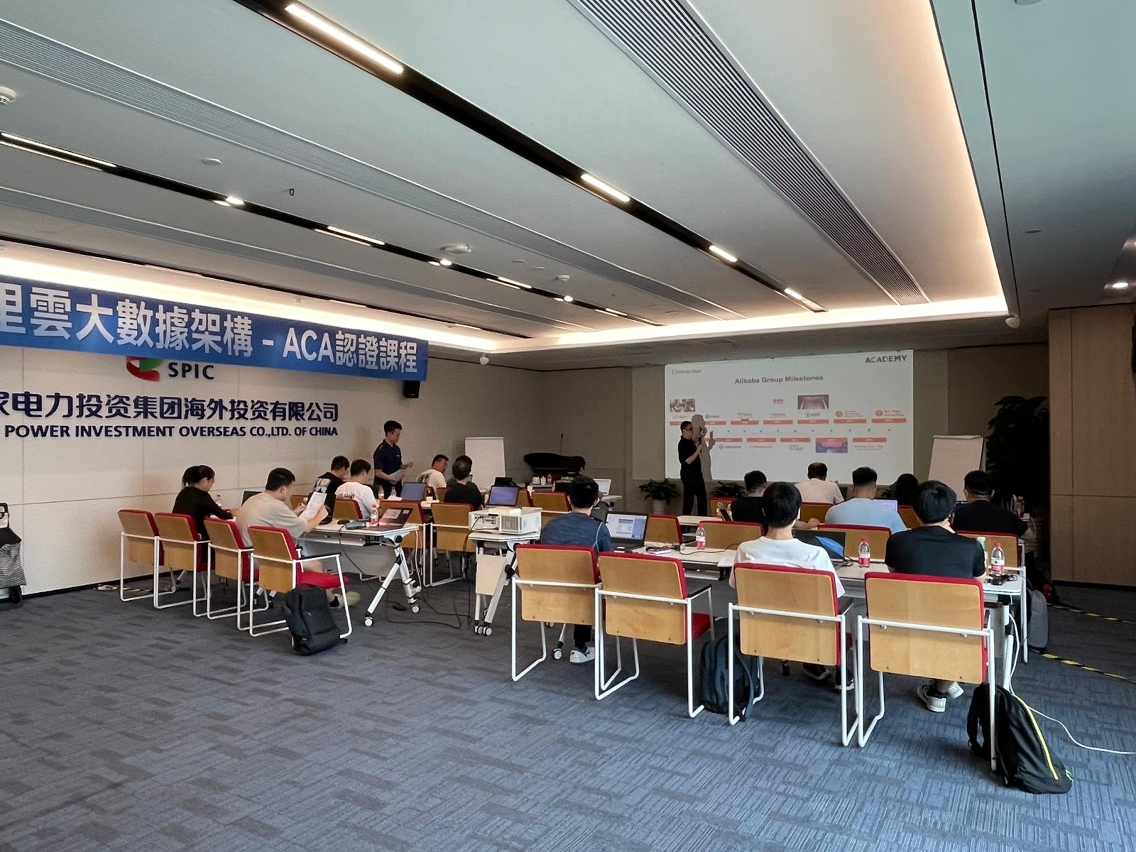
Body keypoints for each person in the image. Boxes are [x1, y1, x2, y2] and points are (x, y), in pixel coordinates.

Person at [884, 480, 986, 713]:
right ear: (951, 512)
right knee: (958, 620)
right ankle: (941, 688)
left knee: (937, 618)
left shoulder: (897, 541)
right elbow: (978, 583)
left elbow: (894, 573)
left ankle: (944, 684)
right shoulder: (971, 547)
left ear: (914, 511)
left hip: (906, 625)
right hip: (955, 633)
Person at [732, 482, 847, 686]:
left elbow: (735, 586)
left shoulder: (745, 549)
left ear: (763, 511)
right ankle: (838, 671)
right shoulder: (815, 554)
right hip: (810, 635)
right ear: (798, 513)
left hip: (760, 631)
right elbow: (833, 597)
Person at [539, 476, 613, 663]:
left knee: (580, 576)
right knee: (588, 579)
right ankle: (580, 647)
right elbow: (609, 562)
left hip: (549, 592)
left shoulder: (550, 525)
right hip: (583, 595)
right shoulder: (599, 528)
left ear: (568, 499)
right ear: (596, 502)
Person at [824, 467, 907, 533]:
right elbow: (902, 538)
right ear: (874, 489)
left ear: (852, 488)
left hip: (843, 550)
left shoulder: (832, 512)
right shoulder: (889, 512)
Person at [953, 470, 1028, 537]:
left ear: (966, 493)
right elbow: (1030, 536)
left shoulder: (959, 515)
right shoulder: (1007, 516)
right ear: (992, 493)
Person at [172, 465, 231, 540]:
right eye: (212, 480)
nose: (212, 484)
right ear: (205, 480)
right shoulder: (202, 496)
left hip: (180, 537)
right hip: (197, 538)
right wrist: (233, 513)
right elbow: (223, 515)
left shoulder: (183, 493)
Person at [373, 420, 413, 498]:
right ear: (389, 434)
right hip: (384, 488)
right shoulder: (381, 450)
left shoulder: (396, 448)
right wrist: (391, 478)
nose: (398, 437)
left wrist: (406, 465)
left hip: (397, 486)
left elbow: (399, 466)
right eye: (397, 435)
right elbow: (378, 472)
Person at [678, 420, 709, 516]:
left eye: (692, 429)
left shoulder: (689, 442)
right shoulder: (682, 444)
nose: (692, 431)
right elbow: (687, 461)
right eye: (690, 429)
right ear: (684, 430)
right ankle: (685, 521)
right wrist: (698, 451)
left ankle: (701, 520)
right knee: (689, 501)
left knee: (700, 500)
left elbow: (694, 446)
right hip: (689, 477)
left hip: (696, 475)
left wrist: (701, 436)